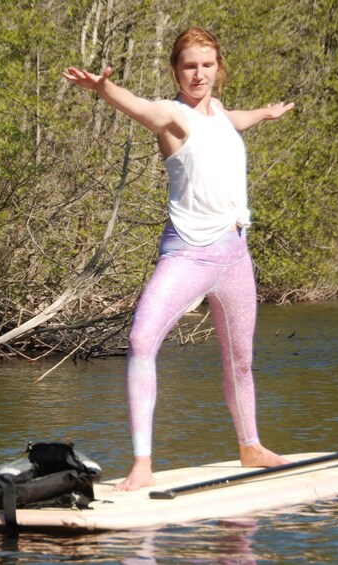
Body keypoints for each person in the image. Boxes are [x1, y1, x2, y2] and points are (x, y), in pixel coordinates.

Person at [63, 27, 295, 491]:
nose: (198, 74)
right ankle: (142, 462)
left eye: (207, 65)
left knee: (241, 360)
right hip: (188, 253)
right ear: (176, 70)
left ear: (219, 68)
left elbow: (236, 120)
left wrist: (267, 114)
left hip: (235, 257)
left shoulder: (222, 116)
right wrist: (104, 88)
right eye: (189, 65)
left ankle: (250, 446)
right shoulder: (173, 116)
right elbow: (143, 109)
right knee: (142, 340)